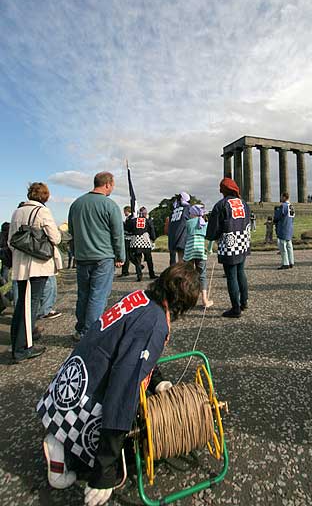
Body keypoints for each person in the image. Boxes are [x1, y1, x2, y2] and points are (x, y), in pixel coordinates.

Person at [37, 263, 199, 505]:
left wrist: (157, 380)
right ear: (182, 305)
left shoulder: (141, 297)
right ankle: (64, 451)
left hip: (68, 387)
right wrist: (105, 470)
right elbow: (124, 387)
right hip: (88, 400)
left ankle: (58, 437)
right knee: (130, 444)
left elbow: (128, 349)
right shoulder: (155, 323)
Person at [8, 182, 62, 362]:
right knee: (30, 306)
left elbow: (11, 241)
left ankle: (19, 341)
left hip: (20, 264)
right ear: (45, 196)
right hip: (37, 265)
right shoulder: (42, 211)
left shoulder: (17, 211)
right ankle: (23, 349)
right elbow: (56, 237)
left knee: (22, 305)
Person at [68, 172, 125, 342]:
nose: (112, 188)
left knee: (83, 294)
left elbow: (71, 230)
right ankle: (89, 334)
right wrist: (120, 255)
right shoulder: (110, 205)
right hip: (103, 257)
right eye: (113, 185)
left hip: (82, 256)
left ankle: (80, 328)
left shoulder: (76, 204)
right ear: (107, 184)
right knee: (98, 296)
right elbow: (117, 234)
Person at [206, 178, 250, 318]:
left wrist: (212, 237)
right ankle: (244, 302)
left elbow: (214, 228)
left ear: (223, 190)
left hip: (229, 244)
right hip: (242, 241)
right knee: (240, 272)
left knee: (231, 275)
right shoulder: (243, 203)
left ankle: (235, 309)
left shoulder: (221, 205)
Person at [183, 204, 213, 308]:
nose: (190, 215)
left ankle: (187, 300)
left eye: (190, 213)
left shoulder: (188, 223)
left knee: (188, 275)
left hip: (189, 251)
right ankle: (205, 300)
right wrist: (209, 249)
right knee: (202, 275)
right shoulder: (205, 223)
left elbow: (185, 237)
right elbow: (211, 238)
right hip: (200, 251)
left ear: (193, 214)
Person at [125, 206, 156, 281]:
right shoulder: (148, 221)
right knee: (149, 259)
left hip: (136, 240)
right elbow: (151, 231)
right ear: (145, 213)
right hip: (145, 240)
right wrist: (153, 239)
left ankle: (139, 276)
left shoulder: (133, 220)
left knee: (138, 259)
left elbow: (128, 229)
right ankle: (151, 274)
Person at [167, 192, 191, 265]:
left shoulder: (173, 211)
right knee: (186, 260)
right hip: (183, 237)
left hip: (174, 237)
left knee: (180, 259)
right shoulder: (187, 208)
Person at [274, 193, 295, 270]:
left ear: (284, 197)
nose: (280, 198)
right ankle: (291, 262)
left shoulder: (283, 206)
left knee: (283, 246)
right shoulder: (291, 206)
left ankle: (285, 263)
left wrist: (275, 217)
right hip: (289, 228)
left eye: (281, 197)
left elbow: (277, 217)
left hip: (283, 228)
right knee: (289, 246)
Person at [119, 206, 133, 277]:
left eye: (125, 211)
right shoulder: (129, 218)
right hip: (128, 238)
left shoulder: (130, 219)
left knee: (126, 256)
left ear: (127, 211)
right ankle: (138, 265)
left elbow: (129, 229)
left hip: (128, 238)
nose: (124, 213)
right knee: (130, 255)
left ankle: (125, 271)